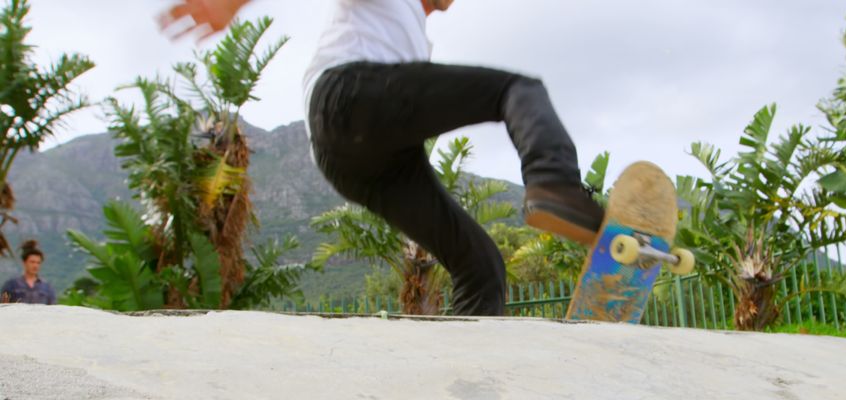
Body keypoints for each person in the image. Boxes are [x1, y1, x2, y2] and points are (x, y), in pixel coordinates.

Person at [159, 0, 604, 316]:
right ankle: (555, 183)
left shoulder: (411, 27)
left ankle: (471, 380)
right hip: (347, 97)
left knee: (479, 264)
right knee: (517, 91)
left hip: (359, 162)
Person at [1, 240, 57, 305]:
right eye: (32, 262)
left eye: (38, 263)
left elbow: (52, 308)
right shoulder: (11, 285)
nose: (35, 266)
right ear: (24, 262)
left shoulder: (47, 288)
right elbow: (3, 308)